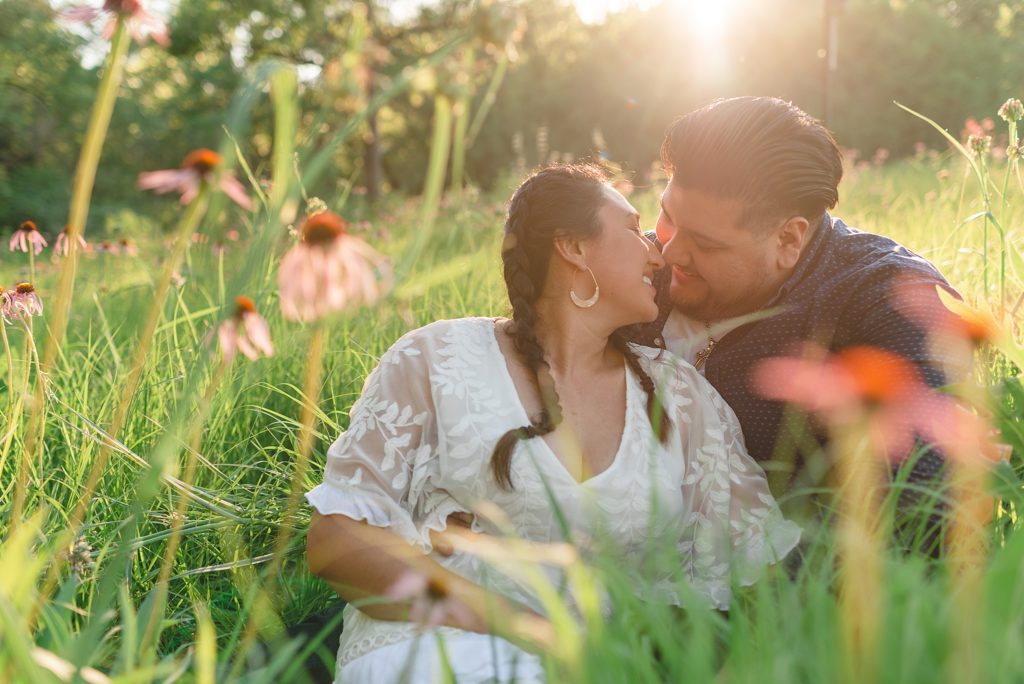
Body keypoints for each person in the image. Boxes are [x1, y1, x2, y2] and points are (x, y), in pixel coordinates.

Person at [305, 164, 801, 683]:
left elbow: (761, 573)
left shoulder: (680, 396)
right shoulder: (438, 358)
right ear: (573, 247)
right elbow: (338, 540)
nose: (657, 252)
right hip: (432, 647)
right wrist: (527, 626)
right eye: (634, 230)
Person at [627, 96, 956, 530]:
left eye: (706, 244)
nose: (670, 251)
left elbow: (921, 500)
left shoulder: (890, 297)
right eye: (667, 216)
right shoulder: (629, 267)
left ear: (788, 239)